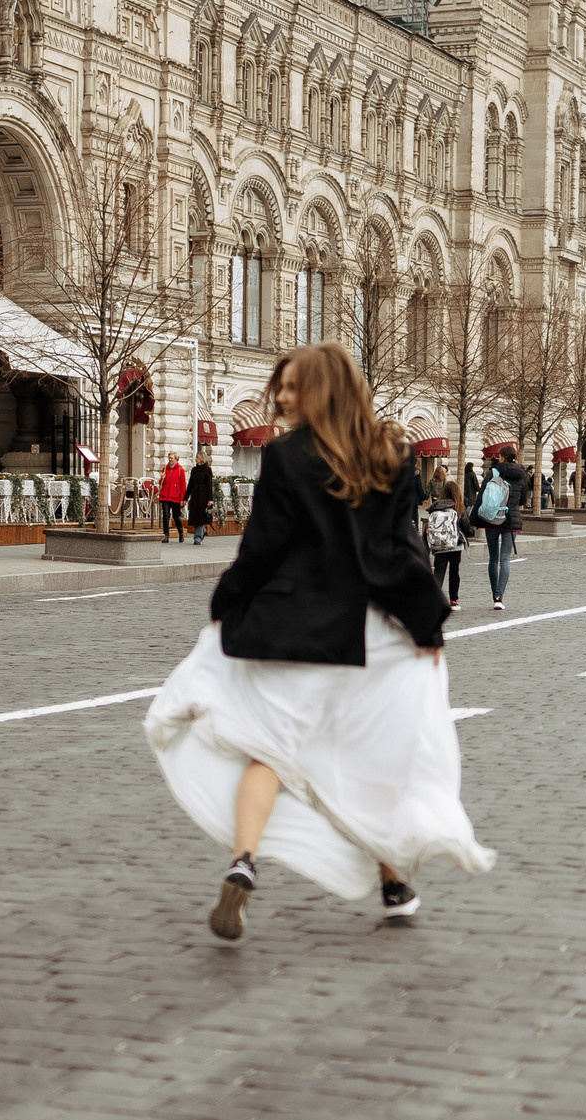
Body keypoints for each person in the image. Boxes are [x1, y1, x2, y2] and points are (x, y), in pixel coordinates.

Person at [145, 341, 490, 943]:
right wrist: (426, 624)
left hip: (293, 629)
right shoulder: (391, 455)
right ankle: (393, 883)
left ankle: (243, 862)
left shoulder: (285, 458)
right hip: (367, 635)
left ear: (318, 390)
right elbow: (397, 550)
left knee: (266, 752)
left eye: (289, 386)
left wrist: (227, 605)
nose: (279, 396)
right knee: (375, 764)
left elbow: (264, 546)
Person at [476, 442, 527, 608]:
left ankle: (494, 596)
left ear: (501, 456)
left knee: (493, 558)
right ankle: (500, 595)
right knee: (505, 558)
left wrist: (473, 519)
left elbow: (482, 496)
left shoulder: (493, 472)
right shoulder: (522, 474)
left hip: (492, 518)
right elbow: (524, 500)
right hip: (511, 520)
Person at [422, 473, 466, 610]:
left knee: (439, 571)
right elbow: (466, 526)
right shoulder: (458, 507)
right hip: (455, 545)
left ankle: (434, 598)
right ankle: (453, 600)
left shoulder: (436, 506)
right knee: (454, 571)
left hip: (439, 545)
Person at [185, 450, 215, 544]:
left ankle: (197, 538)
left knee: (200, 517)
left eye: (197, 457)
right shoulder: (194, 470)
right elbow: (190, 484)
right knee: (194, 517)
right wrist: (185, 497)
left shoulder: (207, 469)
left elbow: (209, 485)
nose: (195, 459)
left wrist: (210, 499)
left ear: (201, 458)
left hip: (203, 496)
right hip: (195, 496)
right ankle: (202, 531)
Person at [159, 452, 188, 543]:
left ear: (176, 459)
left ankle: (181, 533)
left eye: (172, 458)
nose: (170, 460)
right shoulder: (165, 469)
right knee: (165, 516)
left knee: (176, 517)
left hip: (175, 497)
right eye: (169, 458)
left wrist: (183, 499)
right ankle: (166, 535)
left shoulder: (180, 470)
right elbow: (161, 483)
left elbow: (183, 485)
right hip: (165, 497)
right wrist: (161, 478)